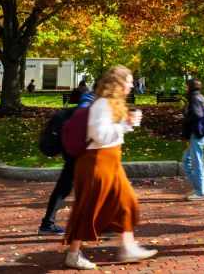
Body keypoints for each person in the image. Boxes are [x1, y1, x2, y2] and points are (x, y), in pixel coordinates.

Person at [63, 66, 156, 269]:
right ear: (119, 83)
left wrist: (126, 123)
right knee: (89, 209)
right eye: (129, 81)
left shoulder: (113, 104)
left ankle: (128, 247)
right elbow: (100, 136)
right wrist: (125, 124)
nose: (132, 85)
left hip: (111, 162)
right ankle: (73, 254)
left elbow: (112, 134)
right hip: (97, 163)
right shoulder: (102, 104)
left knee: (126, 202)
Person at [37, 82, 94, 237]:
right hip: (80, 154)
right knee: (91, 188)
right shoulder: (88, 104)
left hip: (69, 151)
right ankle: (91, 225)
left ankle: (48, 223)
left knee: (64, 186)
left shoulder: (73, 110)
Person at [181, 78, 204, 201]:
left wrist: (186, 123)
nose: (185, 89)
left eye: (187, 86)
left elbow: (197, 116)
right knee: (186, 161)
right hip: (202, 134)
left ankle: (201, 192)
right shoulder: (200, 97)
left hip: (198, 135)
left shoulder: (194, 99)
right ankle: (199, 186)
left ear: (190, 87)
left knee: (195, 163)